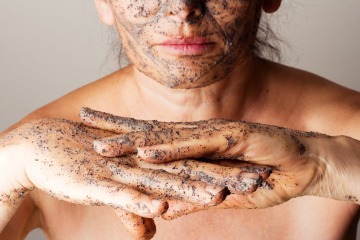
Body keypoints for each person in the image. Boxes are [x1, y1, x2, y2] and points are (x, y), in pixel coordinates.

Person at [0, 0, 359, 239]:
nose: (182, 8)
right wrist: (11, 164)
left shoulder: (348, 132)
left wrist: (327, 167)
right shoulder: (40, 157)